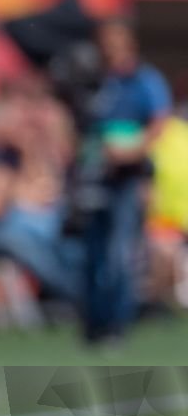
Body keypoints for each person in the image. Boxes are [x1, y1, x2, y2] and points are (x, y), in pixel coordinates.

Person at [79, 17, 171, 344]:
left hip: (128, 179)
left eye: (116, 39)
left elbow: (159, 122)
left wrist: (131, 151)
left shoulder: (144, 80)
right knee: (91, 251)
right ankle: (93, 324)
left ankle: (117, 325)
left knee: (120, 253)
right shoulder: (94, 79)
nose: (109, 47)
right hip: (93, 177)